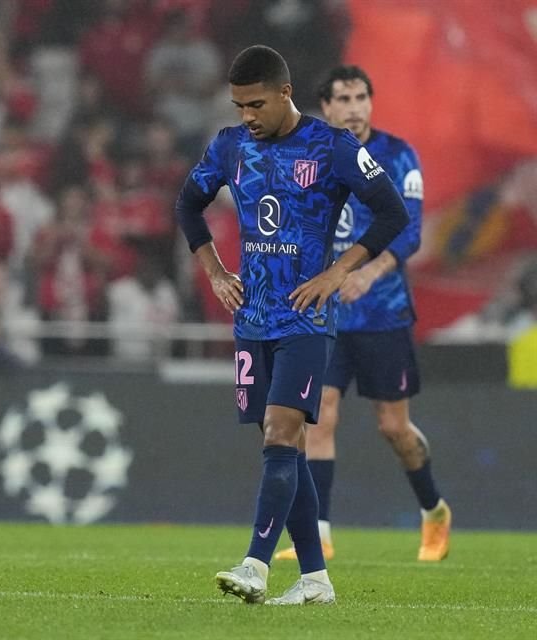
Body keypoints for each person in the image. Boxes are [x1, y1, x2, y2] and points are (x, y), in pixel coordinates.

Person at [174, 46, 408, 605]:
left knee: (281, 436)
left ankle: (255, 564)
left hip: (305, 318)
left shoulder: (331, 146)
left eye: (256, 103)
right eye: (238, 105)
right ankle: (316, 580)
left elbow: (393, 212)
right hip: (251, 318)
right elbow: (187, 205)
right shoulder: (231, 146)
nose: (247, 115)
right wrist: (214, 270)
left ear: (285, 93)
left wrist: (338, 272)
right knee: (287, 449)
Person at [275, 66, 450, 563]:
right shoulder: (310, 158)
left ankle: (433, 509)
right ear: (325, 108)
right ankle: (320, 535)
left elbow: (410, 231)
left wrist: (368, 275)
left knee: (393, 427)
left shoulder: (398, 156)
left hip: (383, 314)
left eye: (360, 97)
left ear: (371, 103)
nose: (353, 107)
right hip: (326, 317)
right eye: (342, 99)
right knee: (320, 415)